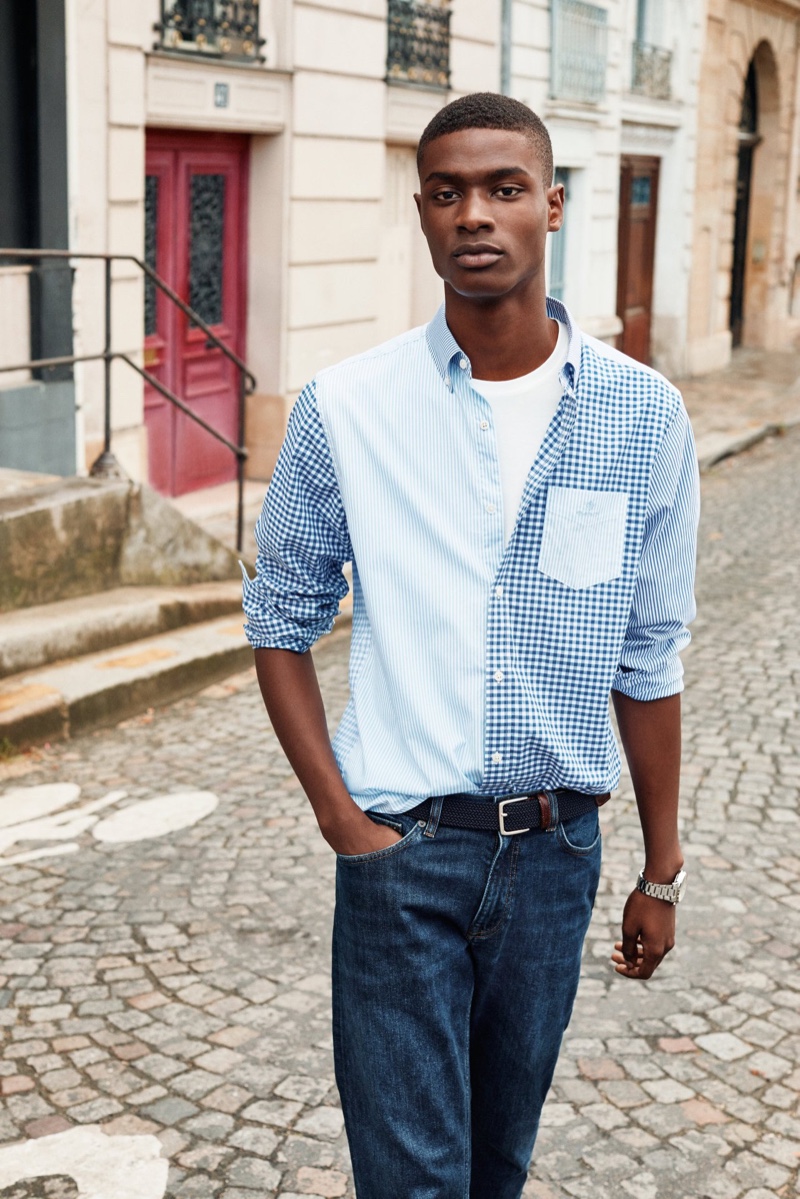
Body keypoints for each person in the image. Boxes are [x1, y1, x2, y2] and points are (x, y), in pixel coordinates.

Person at [243, 92, 699, 1199]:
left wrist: (660, 867)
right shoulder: (345, 408)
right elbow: (279, 620)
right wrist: (343, 822)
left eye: (502, 189)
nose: (474, 215)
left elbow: (646, 654)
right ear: (421, 213)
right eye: (447, 193)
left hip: (554, 860)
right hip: (403, 857)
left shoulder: (642, 416)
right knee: (411, 1181)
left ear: (551, 203)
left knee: (497, 1164)